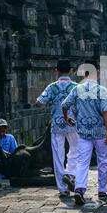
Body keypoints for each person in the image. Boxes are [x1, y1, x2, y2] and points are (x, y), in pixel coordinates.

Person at [62, 60, 107, 205]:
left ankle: (79, 189)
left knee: (83, 162)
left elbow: (64, 105)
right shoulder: (101, 90)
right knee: (102, 160)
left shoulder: (77, 89)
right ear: (97, 73)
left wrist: (66, 117)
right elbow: (105, 111)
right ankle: (102, 190)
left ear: (84, 74)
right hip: (99, 131)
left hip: (83, 131)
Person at [36, 59, 79, 198]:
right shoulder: (75, 87)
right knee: (75, 150)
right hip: (72, 124)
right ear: (71, 71)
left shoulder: (51, 87)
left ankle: (62, 188)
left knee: (58, 156)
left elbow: (38, 102)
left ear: (57, 71)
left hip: (57, 124)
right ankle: (70, 173)